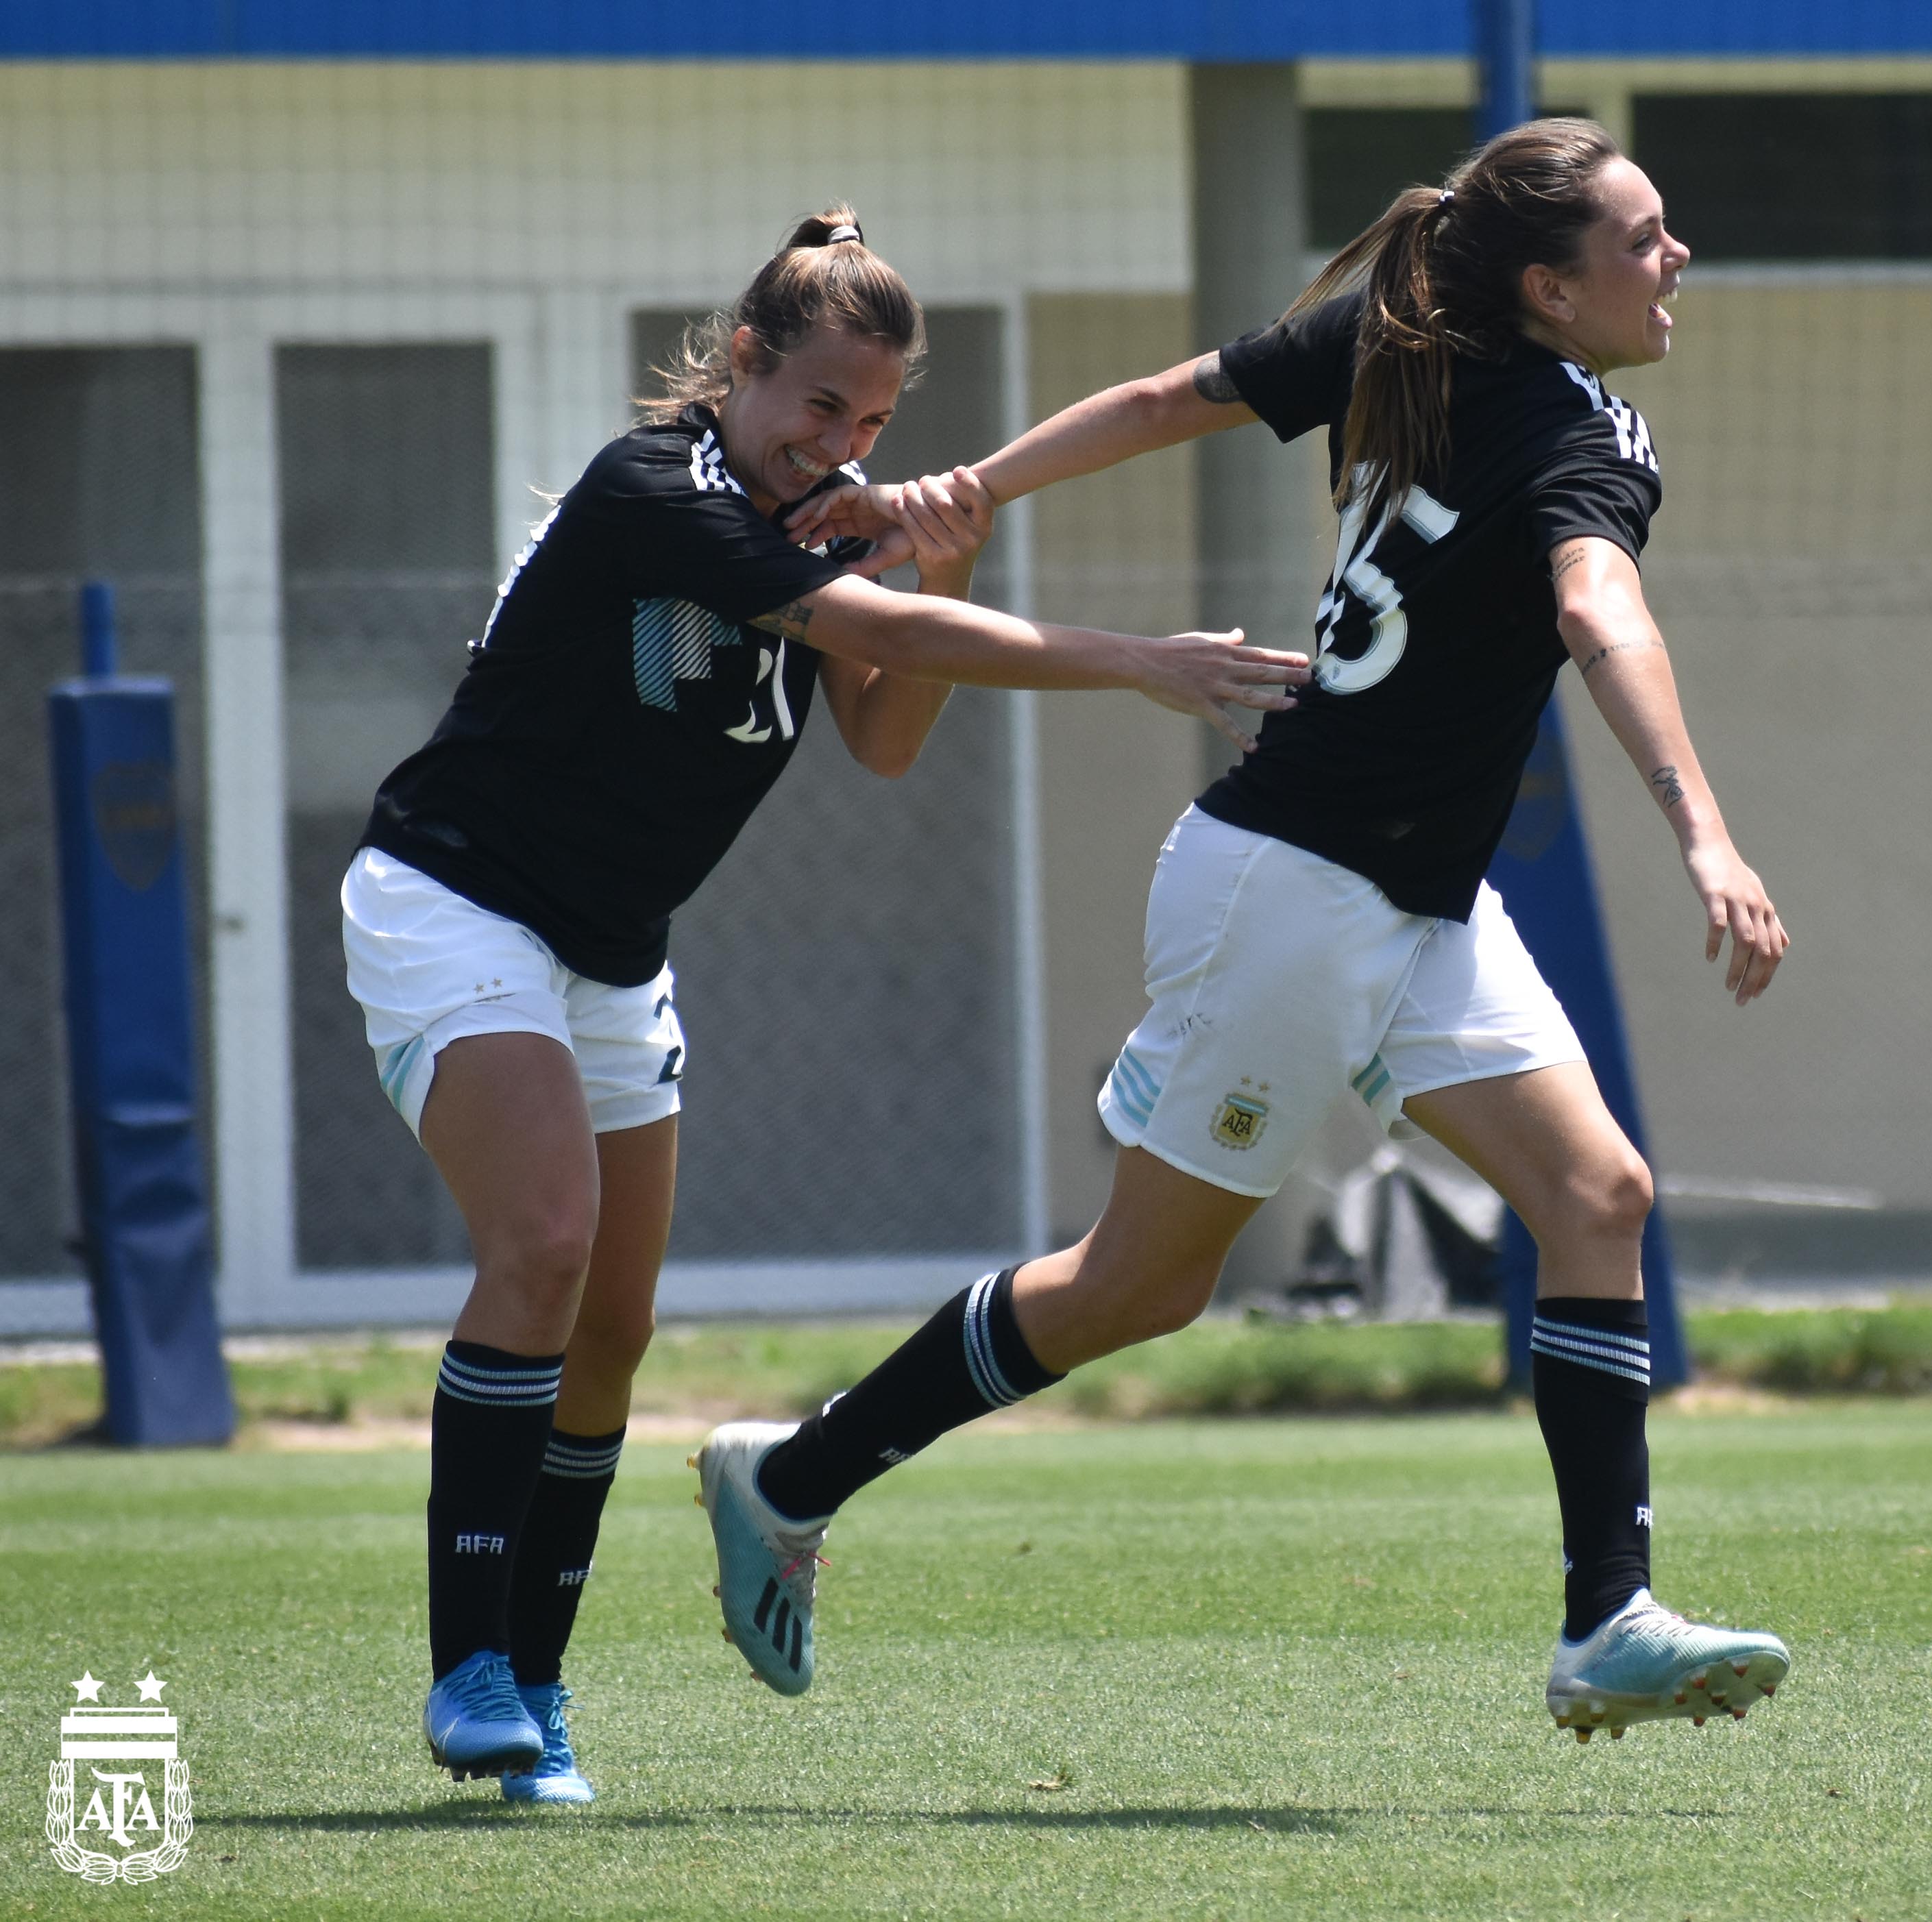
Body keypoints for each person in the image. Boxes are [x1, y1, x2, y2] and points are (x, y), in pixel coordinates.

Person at [698, 122, 1793, 1742]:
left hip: (1407, 896)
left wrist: (975, 482)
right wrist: (1703, 824)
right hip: (1287, 888)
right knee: (1137, 1289)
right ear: (1552, 288)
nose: (1676, 255)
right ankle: (787, 1475)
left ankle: (1604, 1617)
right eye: (1643, 239)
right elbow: (1597, 609)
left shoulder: (1406, 334)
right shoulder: (1567, 426)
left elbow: (1162, 403)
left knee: (1599, 1192)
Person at [344, 207, 1310, 1803]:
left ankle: (538, 1688)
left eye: (871, 421)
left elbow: (881, 731)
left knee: (616, 1327)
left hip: (610, 947)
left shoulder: (820, 518)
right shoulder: (655, 489)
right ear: (740, 364)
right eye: (816, 408)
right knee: (543, 1245)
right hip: (455, 904)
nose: (840, 443)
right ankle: (465, 1669)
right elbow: (869, 630)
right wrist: (1134, 656)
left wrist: (949, 540)